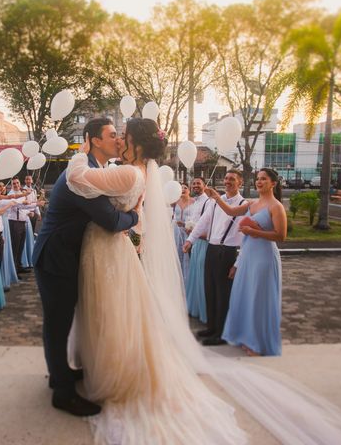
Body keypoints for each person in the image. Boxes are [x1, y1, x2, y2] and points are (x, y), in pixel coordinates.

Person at [66, 118, 246, 444]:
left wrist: (81, 151)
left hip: (106, 249)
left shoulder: (129, 173)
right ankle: (108, 366)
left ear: (135, 141)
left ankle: (117, 376)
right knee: (117, 313)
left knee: (110, 314)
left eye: (124, 135)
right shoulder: (138, 171)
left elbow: (77, 178)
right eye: (116, 134)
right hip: (111, 247)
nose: (119, 138)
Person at [33, 117, 139, 417]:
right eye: (111, 134)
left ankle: (61, 373)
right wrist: (135, 217)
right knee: (57, 323)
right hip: (54, 258)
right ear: (93, 139)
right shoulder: (83, 174)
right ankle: (62, 393)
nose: (117, 139)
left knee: (62, 321)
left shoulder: (98, 170)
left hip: (68, 256)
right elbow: (110, 219)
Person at [207, 168, 286, 356]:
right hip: (248, 256)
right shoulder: (252, 204)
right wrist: (216, 197)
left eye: (264, 179)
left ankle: (259, 343)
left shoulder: (276, 207)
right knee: (246, 297)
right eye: (257, 179)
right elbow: (230, 211)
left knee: (259, 299)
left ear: (273, 183)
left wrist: (254, 232)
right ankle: (247, 337)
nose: (259, 182)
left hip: (264, 258)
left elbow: (281, 236)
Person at [183, 170, 245, 345]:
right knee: (209, 290)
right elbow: (203, 221)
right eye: (226, 178)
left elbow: (247, 238)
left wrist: (238, 263)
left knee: (222, 294)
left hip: (227, 252)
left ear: (240, 182)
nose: (227, 181)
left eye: (232, 179)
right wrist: (190, 240)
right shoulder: (216, 202)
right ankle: (211, 327)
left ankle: (221, 333)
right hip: (212, 248)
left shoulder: (243, 204)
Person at [183, 177, 210, 321]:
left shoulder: (208, 201)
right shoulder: (195, 202)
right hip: (195, 242)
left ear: (205, 185)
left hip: (204, 242)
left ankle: (204, 311)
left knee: (201, 277)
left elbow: (207, 224)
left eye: (198, 183)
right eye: (193, 183)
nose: (195, 186)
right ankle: (194, 309)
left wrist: (194, 232)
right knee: (194, 274)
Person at [7, 177, 39, 275]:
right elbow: (19, 206)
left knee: (21, 246)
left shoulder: (21, 194)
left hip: (22, 222)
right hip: (15, 223)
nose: (16, 185)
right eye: (14, 183)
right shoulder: (11, 195)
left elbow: (24, 208)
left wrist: (29, 212)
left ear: (20, 184)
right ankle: (14, 270)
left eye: (17, 183)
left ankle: (19, 266)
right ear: (11, 185)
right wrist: (36, 205)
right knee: (15, 247)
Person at [172, 183, 194, 279]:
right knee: (176, 253)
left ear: (189, 190)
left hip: (187, 231)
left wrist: (186, 225)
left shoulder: (194, 201)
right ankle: (177, 278)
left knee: (186, 255)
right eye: (181, 188)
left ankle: (187, 278)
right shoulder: (175, 202)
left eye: (185, 187)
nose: (183, 189)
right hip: (176, 231)